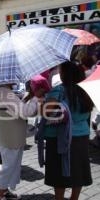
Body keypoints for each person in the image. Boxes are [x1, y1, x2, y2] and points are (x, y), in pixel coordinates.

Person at [41, 61, 93, 200]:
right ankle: (74, 198)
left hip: (60, 137)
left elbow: (45, 113)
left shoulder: (58, 90)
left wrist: (41, 98)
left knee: (59, 173)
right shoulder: (86, 90)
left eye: (61, 71)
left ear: (65, 74)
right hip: (81, 135)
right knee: (78, 171)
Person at [0, 83, 39, 200]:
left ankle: (4, 191)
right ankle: (0, 194)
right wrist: (35, 98)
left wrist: (27, 98)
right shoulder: (6, 93)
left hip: (9, 135)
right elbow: (25, 112)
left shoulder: (2, 91)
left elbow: (14, 108)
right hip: (11, 135)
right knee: (9, 166)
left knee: (10, 165)